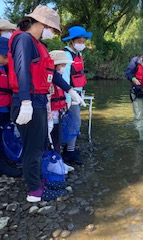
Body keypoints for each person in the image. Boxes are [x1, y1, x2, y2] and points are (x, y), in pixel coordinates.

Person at [8, 5, 85, 202]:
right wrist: (25, 102)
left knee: (40, 144)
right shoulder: (24, 39)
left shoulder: (37, 44)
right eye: (52, 29)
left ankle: (38, 180)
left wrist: (69, 90)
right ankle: (34, 191)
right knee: (32, 148)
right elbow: (21, 70)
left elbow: (51, 73)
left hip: (40, 101)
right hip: (29, 101)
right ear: (42, 23)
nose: (52, 33)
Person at [61, 26, 92, 165]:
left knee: (74, 121)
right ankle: (69, 152)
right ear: (72, 41)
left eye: (84, 41)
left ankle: (69, 148)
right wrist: (69, 97)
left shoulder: (78, 54)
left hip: (78, 93)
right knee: (75, 121)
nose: (82, 44)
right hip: (70, 93)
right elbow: (66, 77)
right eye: (80, 41)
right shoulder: (67, 55)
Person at [0, 36, 22, 177]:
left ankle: (5, 160)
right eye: (4, 56)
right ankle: (2, 165)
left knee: (5, 133)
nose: (7, 60)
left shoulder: (5, 67)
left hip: (5, 106)